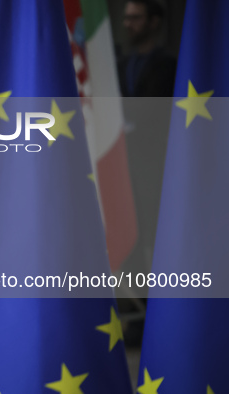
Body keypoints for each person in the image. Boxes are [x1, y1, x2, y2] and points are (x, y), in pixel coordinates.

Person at [116, 0, 176, 347]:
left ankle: (164, 320)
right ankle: (138, 320)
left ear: (155, 21)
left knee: (159, 245)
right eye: (125, 18)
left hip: (158, 169)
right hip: (124, 174)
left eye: (136, 18)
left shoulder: (170, 66)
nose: (129, 24)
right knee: (132, 245)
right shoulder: (118, 65)